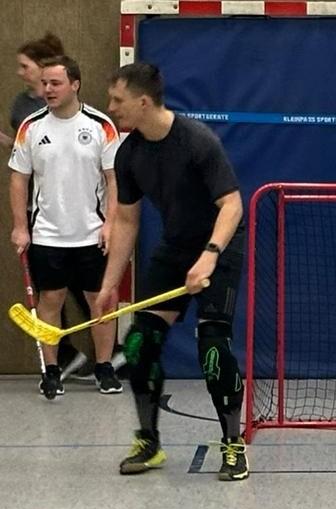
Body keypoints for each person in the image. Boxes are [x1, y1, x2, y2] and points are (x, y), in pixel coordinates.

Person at [98, 63, 248, 481]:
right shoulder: (129, 153)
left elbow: (232, 205)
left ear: (143, 102)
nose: (112, 108)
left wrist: (210, 256)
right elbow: (126, 222)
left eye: (118, 101)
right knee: (141, 342)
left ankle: (233, 446)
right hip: (176, 247)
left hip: (222, 242)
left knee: (214, 349)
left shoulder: (197, 140)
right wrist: (110, 285)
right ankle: (149, 442)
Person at [8, 55, 123, 399]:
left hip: (93, 233)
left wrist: (111, 225)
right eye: (44, 83)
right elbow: (18, 180)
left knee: (100, 302)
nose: (47, 89)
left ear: (75, 85)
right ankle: (52, 371)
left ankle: (104, 367)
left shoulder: (101, 125)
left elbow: (114, 180)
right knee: (51, 301)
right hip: (46, 233)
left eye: (55, 83)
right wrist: (19, 227)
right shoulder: (31, 127)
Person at [3, 33, 97, 380]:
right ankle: (59, 361)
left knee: (89, 292)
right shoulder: (25, 112)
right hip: (45, 220)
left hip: (85, 223)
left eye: (25, 66)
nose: (21, 73)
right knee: (52, 295)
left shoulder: (93, 123)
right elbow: (23, 162)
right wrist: (20, 225)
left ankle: (105, 358)